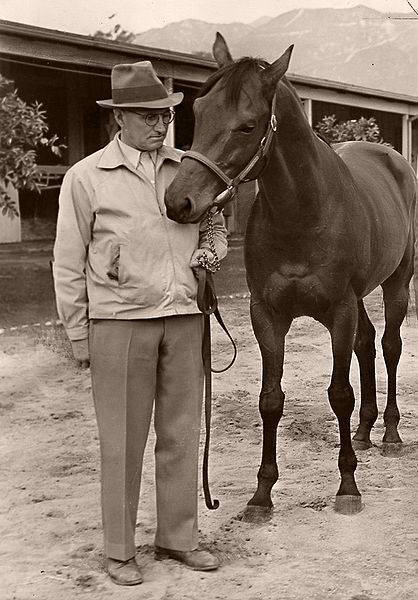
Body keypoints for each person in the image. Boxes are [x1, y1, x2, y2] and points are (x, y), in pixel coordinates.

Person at [53, 61, 228, 586]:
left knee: (180, 434)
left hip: (182, 318)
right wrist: (79, 333)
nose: (160, 126)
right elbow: (67, 263)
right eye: (148, 116)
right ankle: (119, 551)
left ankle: (177, 539)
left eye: (165, 116)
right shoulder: (86, 177)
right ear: (119, 119)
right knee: (123, 441)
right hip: (119, 324)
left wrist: (213, 248)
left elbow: (215, 226)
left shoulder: (187, 170)